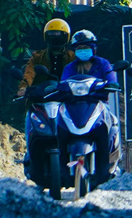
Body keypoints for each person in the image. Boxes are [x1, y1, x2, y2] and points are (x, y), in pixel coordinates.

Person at [48, 27, 116, 182]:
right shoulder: (69, 67)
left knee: (108, 128)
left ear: (93, 48)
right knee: (60, 127)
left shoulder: (103, 64)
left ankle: (105, 167)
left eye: (86, 47)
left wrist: (111, 85)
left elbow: (111, 80)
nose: (82, 51)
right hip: (73, 106)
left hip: (98, 105)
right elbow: (62, 84)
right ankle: (62, 169)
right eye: (79, 48)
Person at [16, 18, 76, 100]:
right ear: (46, 36)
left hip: (66, 96)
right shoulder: (37, 57)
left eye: (59, 35)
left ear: (66, 37)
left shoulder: (72, 57)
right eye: (52, 35)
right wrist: (23, 88)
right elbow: (29, 73)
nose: (55, 38)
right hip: (41, 97)